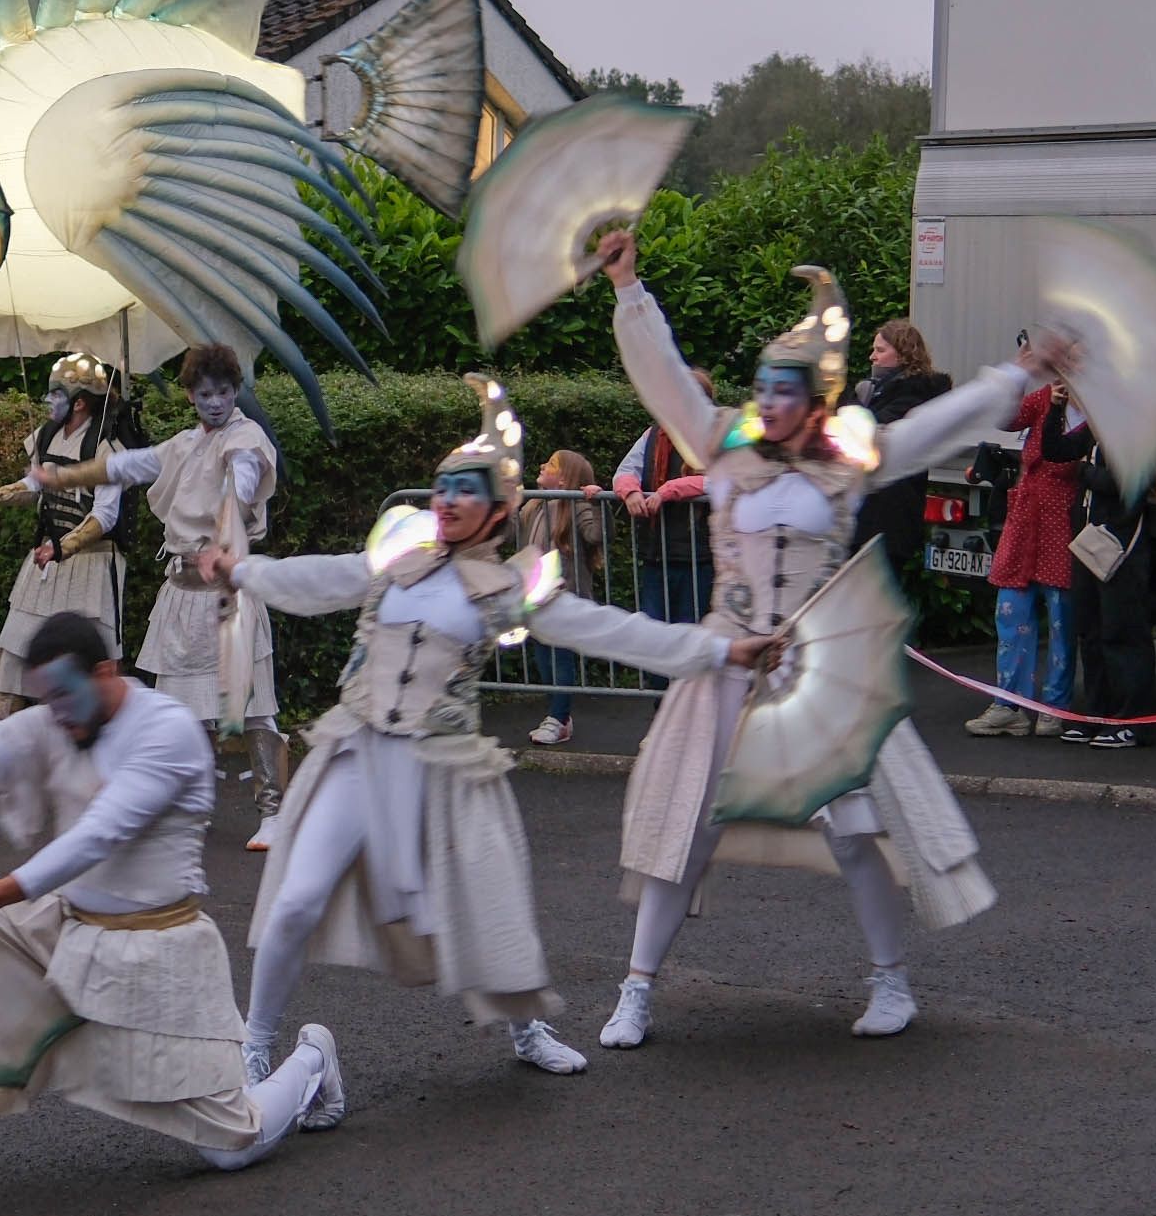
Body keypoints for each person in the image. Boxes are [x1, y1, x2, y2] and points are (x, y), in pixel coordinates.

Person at [206, 382, 762, 1083]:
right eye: (441, 487)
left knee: (483, 912)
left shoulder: (506, 588)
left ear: (498, 509)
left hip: (441, 769)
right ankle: (255, 1045)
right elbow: (314, 581)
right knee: (292, 901)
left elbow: (612, 631)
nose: (445, 500)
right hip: (355, 752)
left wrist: (716, 651)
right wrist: (243, 570)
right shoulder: (394, 561)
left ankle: (525, 1029)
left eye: (464, 490)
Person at [595, 234, 1060, 1047]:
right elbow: (662, 375)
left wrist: (1019, 374)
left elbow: (938, 424)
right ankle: (636, 988)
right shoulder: (720, 443)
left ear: (813, 403)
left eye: (782, 392)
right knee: (688, 825)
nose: (764, 402)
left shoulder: (850, 461)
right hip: (726, 662)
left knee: (853, 830)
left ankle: (890, 982)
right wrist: (629, 289)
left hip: (815, 672)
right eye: (760, 389)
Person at [0, 613, 345, 1195]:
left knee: (230, 1149)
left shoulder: (168, 731)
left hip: (155, 950)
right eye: (45, 698)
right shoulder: (61, 716)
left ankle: (313, 1058)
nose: (54, 712)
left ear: (106, 672)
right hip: (63, 927)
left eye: (64, 694)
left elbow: (100, 835)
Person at [34, 342, 287, 840]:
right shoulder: (185, 444)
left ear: (236, 392)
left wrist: (229, 516)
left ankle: (273, 812)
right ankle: (192, 806)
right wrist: (62, 475)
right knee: (184, 715)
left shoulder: (246, 438)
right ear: (191, 395)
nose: (215, 402)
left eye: (224, 392)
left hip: (228, 588)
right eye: (205, 393)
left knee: (255, 708)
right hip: (180, 588)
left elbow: (244, 475)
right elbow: (127, 467)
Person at [0, 355, 123, 720]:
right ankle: (4, 742)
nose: (47, 402)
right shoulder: (48, 434)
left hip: (90, 568)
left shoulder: (107, 447)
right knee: (13, 656)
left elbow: (106, 513)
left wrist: (63, 546)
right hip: (44, 564)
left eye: (55, 395)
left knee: (84, 666)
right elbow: (34, 483)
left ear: (79, 401)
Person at [1045, 398, 1156, 750]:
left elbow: (1126, 485)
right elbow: (1055, 450)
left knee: (1122, 632)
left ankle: (1130, 721)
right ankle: (1096, 714)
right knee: (1089, 630)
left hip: (1121, 545)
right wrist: (1054, 410)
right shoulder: (1096, 427)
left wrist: (1084, 472)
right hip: (1089, 542)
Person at [972, 377, 1080, 737]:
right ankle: (1009, 703)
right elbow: (1007, 419)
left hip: (1064, 521)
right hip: (1026, 519)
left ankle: (1054, 706)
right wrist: (1015, 377)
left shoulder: (1098, 411)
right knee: (1011, 610)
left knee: (1062, 620)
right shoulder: (1044, 396)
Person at [850, 321, 952, 610]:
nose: (872, 357)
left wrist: (852, 403)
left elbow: (873, 433)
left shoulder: (915, 395)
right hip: (868, 514)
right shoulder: (878, 391)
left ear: (903, 354)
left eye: (880, 350)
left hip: (887, 517)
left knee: (873, 605)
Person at [612, 367, 715, 649]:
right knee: (654, 638)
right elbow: (625, 470)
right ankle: (660, 695)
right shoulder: (654, 434)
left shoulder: (717, 435)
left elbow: (723, 480)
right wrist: (631, 491)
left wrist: (670, 490)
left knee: (690, 638)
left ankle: (686, 694)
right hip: (657, 555)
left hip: (700, 558)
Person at [519, 448, 605, 746]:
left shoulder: (573, 505)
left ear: (565, 478)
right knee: (543, 657)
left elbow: (595, 536)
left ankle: (557, 717)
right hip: (536, 596)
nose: (543, 464)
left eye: (552, 464)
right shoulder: (534, 506)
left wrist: (591, 502)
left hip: (564, 596)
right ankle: (559, 716)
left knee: (560, 658)